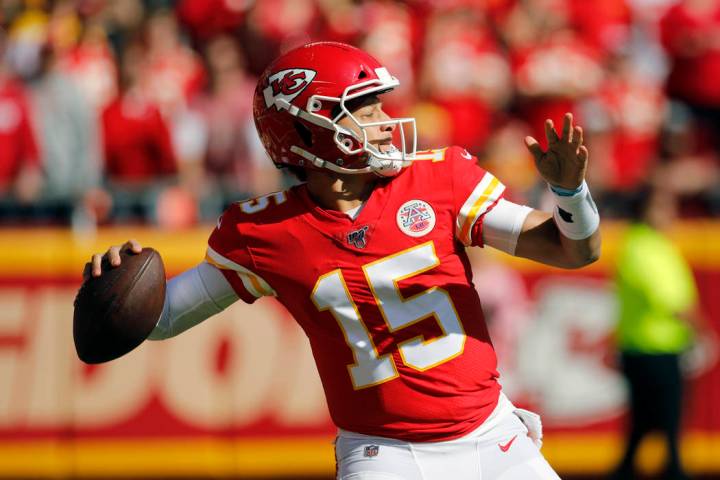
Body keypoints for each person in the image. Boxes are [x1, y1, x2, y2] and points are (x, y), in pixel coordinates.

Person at [88, 42, 601, 479]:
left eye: (380, 105)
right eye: (365, 109)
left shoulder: (438, 179)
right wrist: (111, 290)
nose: (384, 122)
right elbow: (163, 317)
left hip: (491, 437)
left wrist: (569, 190)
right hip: (386, 455)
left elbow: (572, 248)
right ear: (308, 132)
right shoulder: (264, 231)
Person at [611, 184, 701, 480]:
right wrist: (704, 332)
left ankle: (633, 470)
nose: (670, 212)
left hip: (653, 346)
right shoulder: (643, 247)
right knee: (666, 423)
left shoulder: (651, 245)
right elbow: (673, 301)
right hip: (652, 348)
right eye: (663, 206)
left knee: (646, 423)